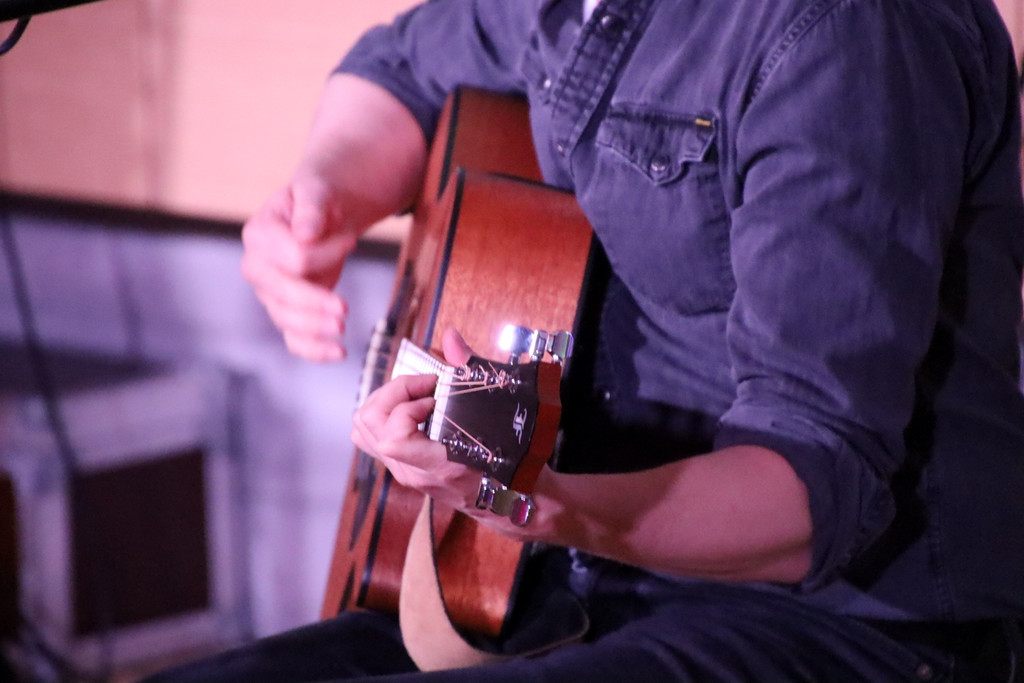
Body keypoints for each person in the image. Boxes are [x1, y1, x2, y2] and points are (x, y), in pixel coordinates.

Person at [145, 0, 1024, 680]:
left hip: (843, 623)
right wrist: (323, 196)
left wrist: (530, 500)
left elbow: (812, 490)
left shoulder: (847, 34)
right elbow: (403, 65)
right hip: (568, 570)